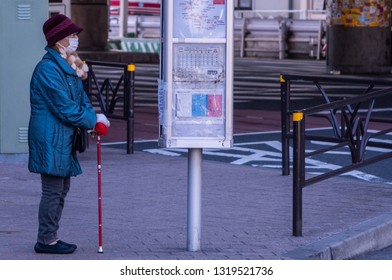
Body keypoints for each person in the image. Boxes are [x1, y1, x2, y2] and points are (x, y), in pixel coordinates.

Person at [28, 14, 110, 254]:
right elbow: (65, 107)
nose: (75, 39)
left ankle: (50, 237)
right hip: (50, 137)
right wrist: (92, 121)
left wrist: (93, 118)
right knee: (53, 190)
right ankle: (46, 240)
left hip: (62, 137)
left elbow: (81, 99)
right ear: (58, 40)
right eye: (71, 35)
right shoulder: (48, 69)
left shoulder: (67, 65)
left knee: (61, 189)